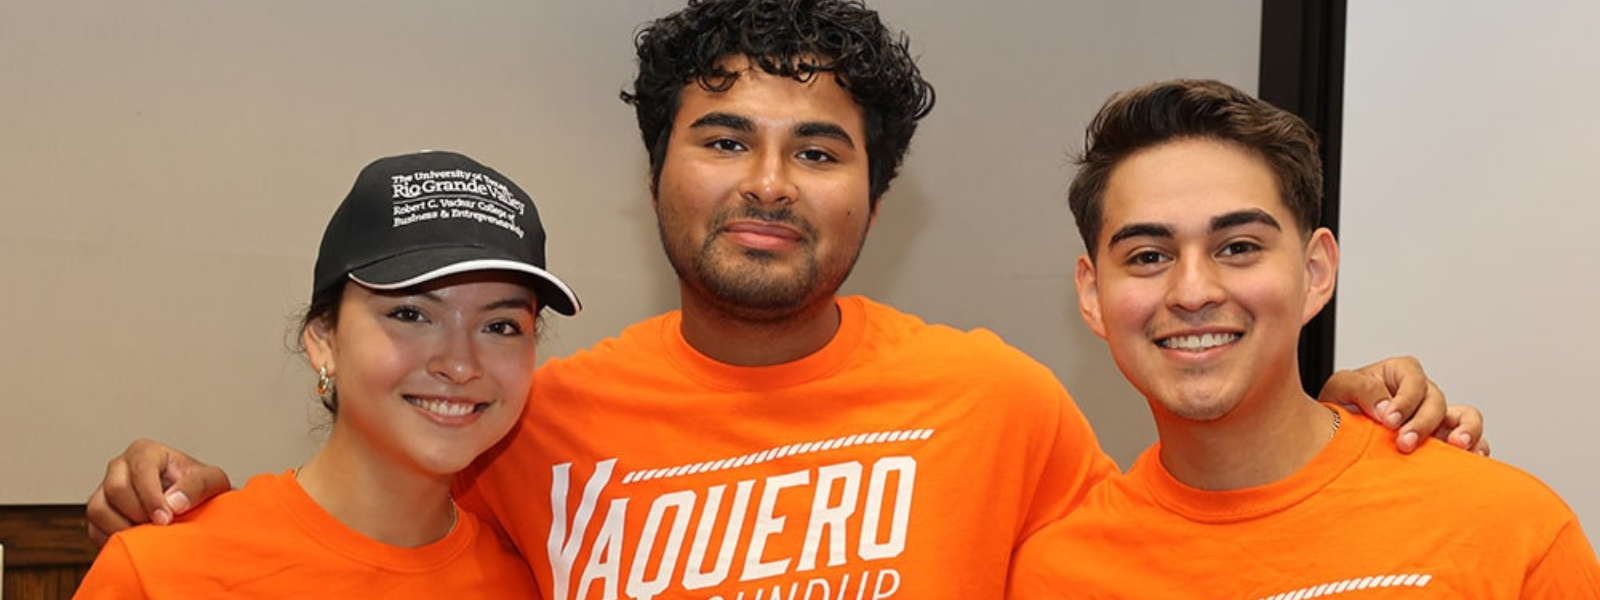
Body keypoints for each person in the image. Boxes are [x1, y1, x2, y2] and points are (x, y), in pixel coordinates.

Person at [86, 2, 1485, 599]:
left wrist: (1340, 407)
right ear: (656, 178)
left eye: (820, 150)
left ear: (876, 198)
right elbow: (364, 526)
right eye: (722, 138)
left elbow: (1192, 533)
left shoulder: (997, 401)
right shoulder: (528, 416)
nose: (768, 183)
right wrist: (165, 497)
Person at [1008, 79, 1600, 598]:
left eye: (1238, 247)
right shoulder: (1053, 575)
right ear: (1092, 296)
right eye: (1148, 255)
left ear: (1316, 272)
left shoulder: (1503, 529)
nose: (1192, 291)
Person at [72, 150, 583, 598]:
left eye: (500, 325)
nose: (459, 364)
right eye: (410, 315)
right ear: (323, 338)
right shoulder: (161, 571)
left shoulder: (538, 580)